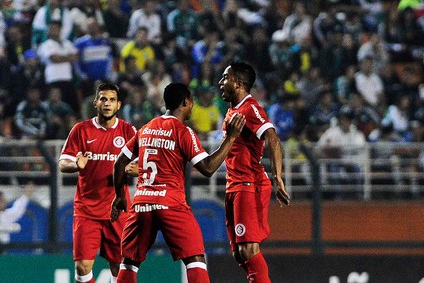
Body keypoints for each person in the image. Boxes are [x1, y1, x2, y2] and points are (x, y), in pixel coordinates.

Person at [111, 82, 246, 283]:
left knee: (129, 261)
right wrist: (231, 138)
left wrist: (120, 196)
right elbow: (207, 168)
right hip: (170, 203)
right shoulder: (182, 131)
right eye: (191, 102)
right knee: (195, 259)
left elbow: (119, 163)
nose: (192, 106)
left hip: (142, 203)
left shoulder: (146, 129)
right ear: (185, 102)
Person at [217, 61, 290, 283]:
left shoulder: (250, 108)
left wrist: (278, 177)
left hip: (249, 184)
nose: (221, 83)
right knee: (240, 253)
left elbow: (273, 138)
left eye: (225, 78)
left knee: (248, 249)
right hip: (235, 185)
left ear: (238, 84)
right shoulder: (233, 110)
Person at [59, 83, 137, 283]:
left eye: (112, 100)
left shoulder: (128, 131)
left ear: (118, 105)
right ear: (95, 103)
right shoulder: (81, 130)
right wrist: (76, 164)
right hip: (87, 209)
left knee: (119, 266)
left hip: (118, 209)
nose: (107, 103)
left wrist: (134, 168)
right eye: (103, 99)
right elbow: (62, 163)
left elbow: (143, 164)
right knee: (82, 267)